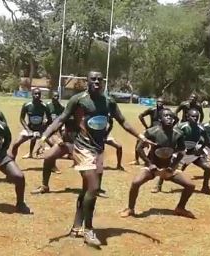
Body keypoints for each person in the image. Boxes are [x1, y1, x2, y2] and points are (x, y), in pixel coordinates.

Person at [37, 71, 151, 247]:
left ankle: (76, 226)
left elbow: (123, 121)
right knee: (94, 187)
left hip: (99, 149)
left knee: (87, 191)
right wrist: (45, 136)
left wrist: (140, 136)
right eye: (93, 79)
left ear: (103, 82)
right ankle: (89, 230)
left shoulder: (108, 102)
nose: (97, 81)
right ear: (87, 82)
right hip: (82, 148)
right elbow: (61, 119)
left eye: (100, 79)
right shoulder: (79, 100)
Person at [119, 109, 196, 219]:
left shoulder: (178, 134)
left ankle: (180, 208)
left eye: (171, 116)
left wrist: (172, 166)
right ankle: (130, 209)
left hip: (168, 168)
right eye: (166, 116)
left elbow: (181, 152)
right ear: (160, 119)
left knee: (190, 185)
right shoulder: (152, 132)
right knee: (136, 183)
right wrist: (149, 163)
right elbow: (139, 148)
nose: (169, 118)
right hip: (152, 167)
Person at [10, 88, 52, 160]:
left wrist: (42, 130)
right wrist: (28, 130)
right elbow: (21, 119)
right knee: (15, 144)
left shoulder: (44, 106)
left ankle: (53, 166)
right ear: (32, 95)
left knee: (53, 144)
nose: (37, 95)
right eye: (35, 94)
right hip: (29, 129)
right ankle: (11, 162)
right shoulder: (27, 105)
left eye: (39, 94)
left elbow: (50, 120)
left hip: (41, 130)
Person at [133, 97, 166, 165]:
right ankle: (136, 160)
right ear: (156, 102)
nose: (159, 103)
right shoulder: (152, 109)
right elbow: (140, 116)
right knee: (138, 142)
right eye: (158, 102)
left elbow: (175, 118)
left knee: (157, 146)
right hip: (151, 130)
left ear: (163, 103)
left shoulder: (166, 111)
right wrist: (146, 126)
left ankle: (153, 160)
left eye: (161, 102)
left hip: (161, 132)